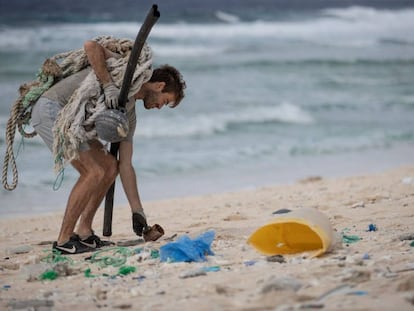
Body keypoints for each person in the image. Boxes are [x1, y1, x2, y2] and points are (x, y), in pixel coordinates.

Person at [31, 38, 186, 255]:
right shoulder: (127, 72)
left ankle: (84, 231)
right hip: (51, 110)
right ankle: (64, 239)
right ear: (160, 86)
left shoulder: (129, 114)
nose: (161, 107)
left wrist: (137, 211)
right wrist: (108, 85)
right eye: (165, 101)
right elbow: (90, 46)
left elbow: (126, 165)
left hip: (73, 123)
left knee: (110, 166)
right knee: (92, 171)